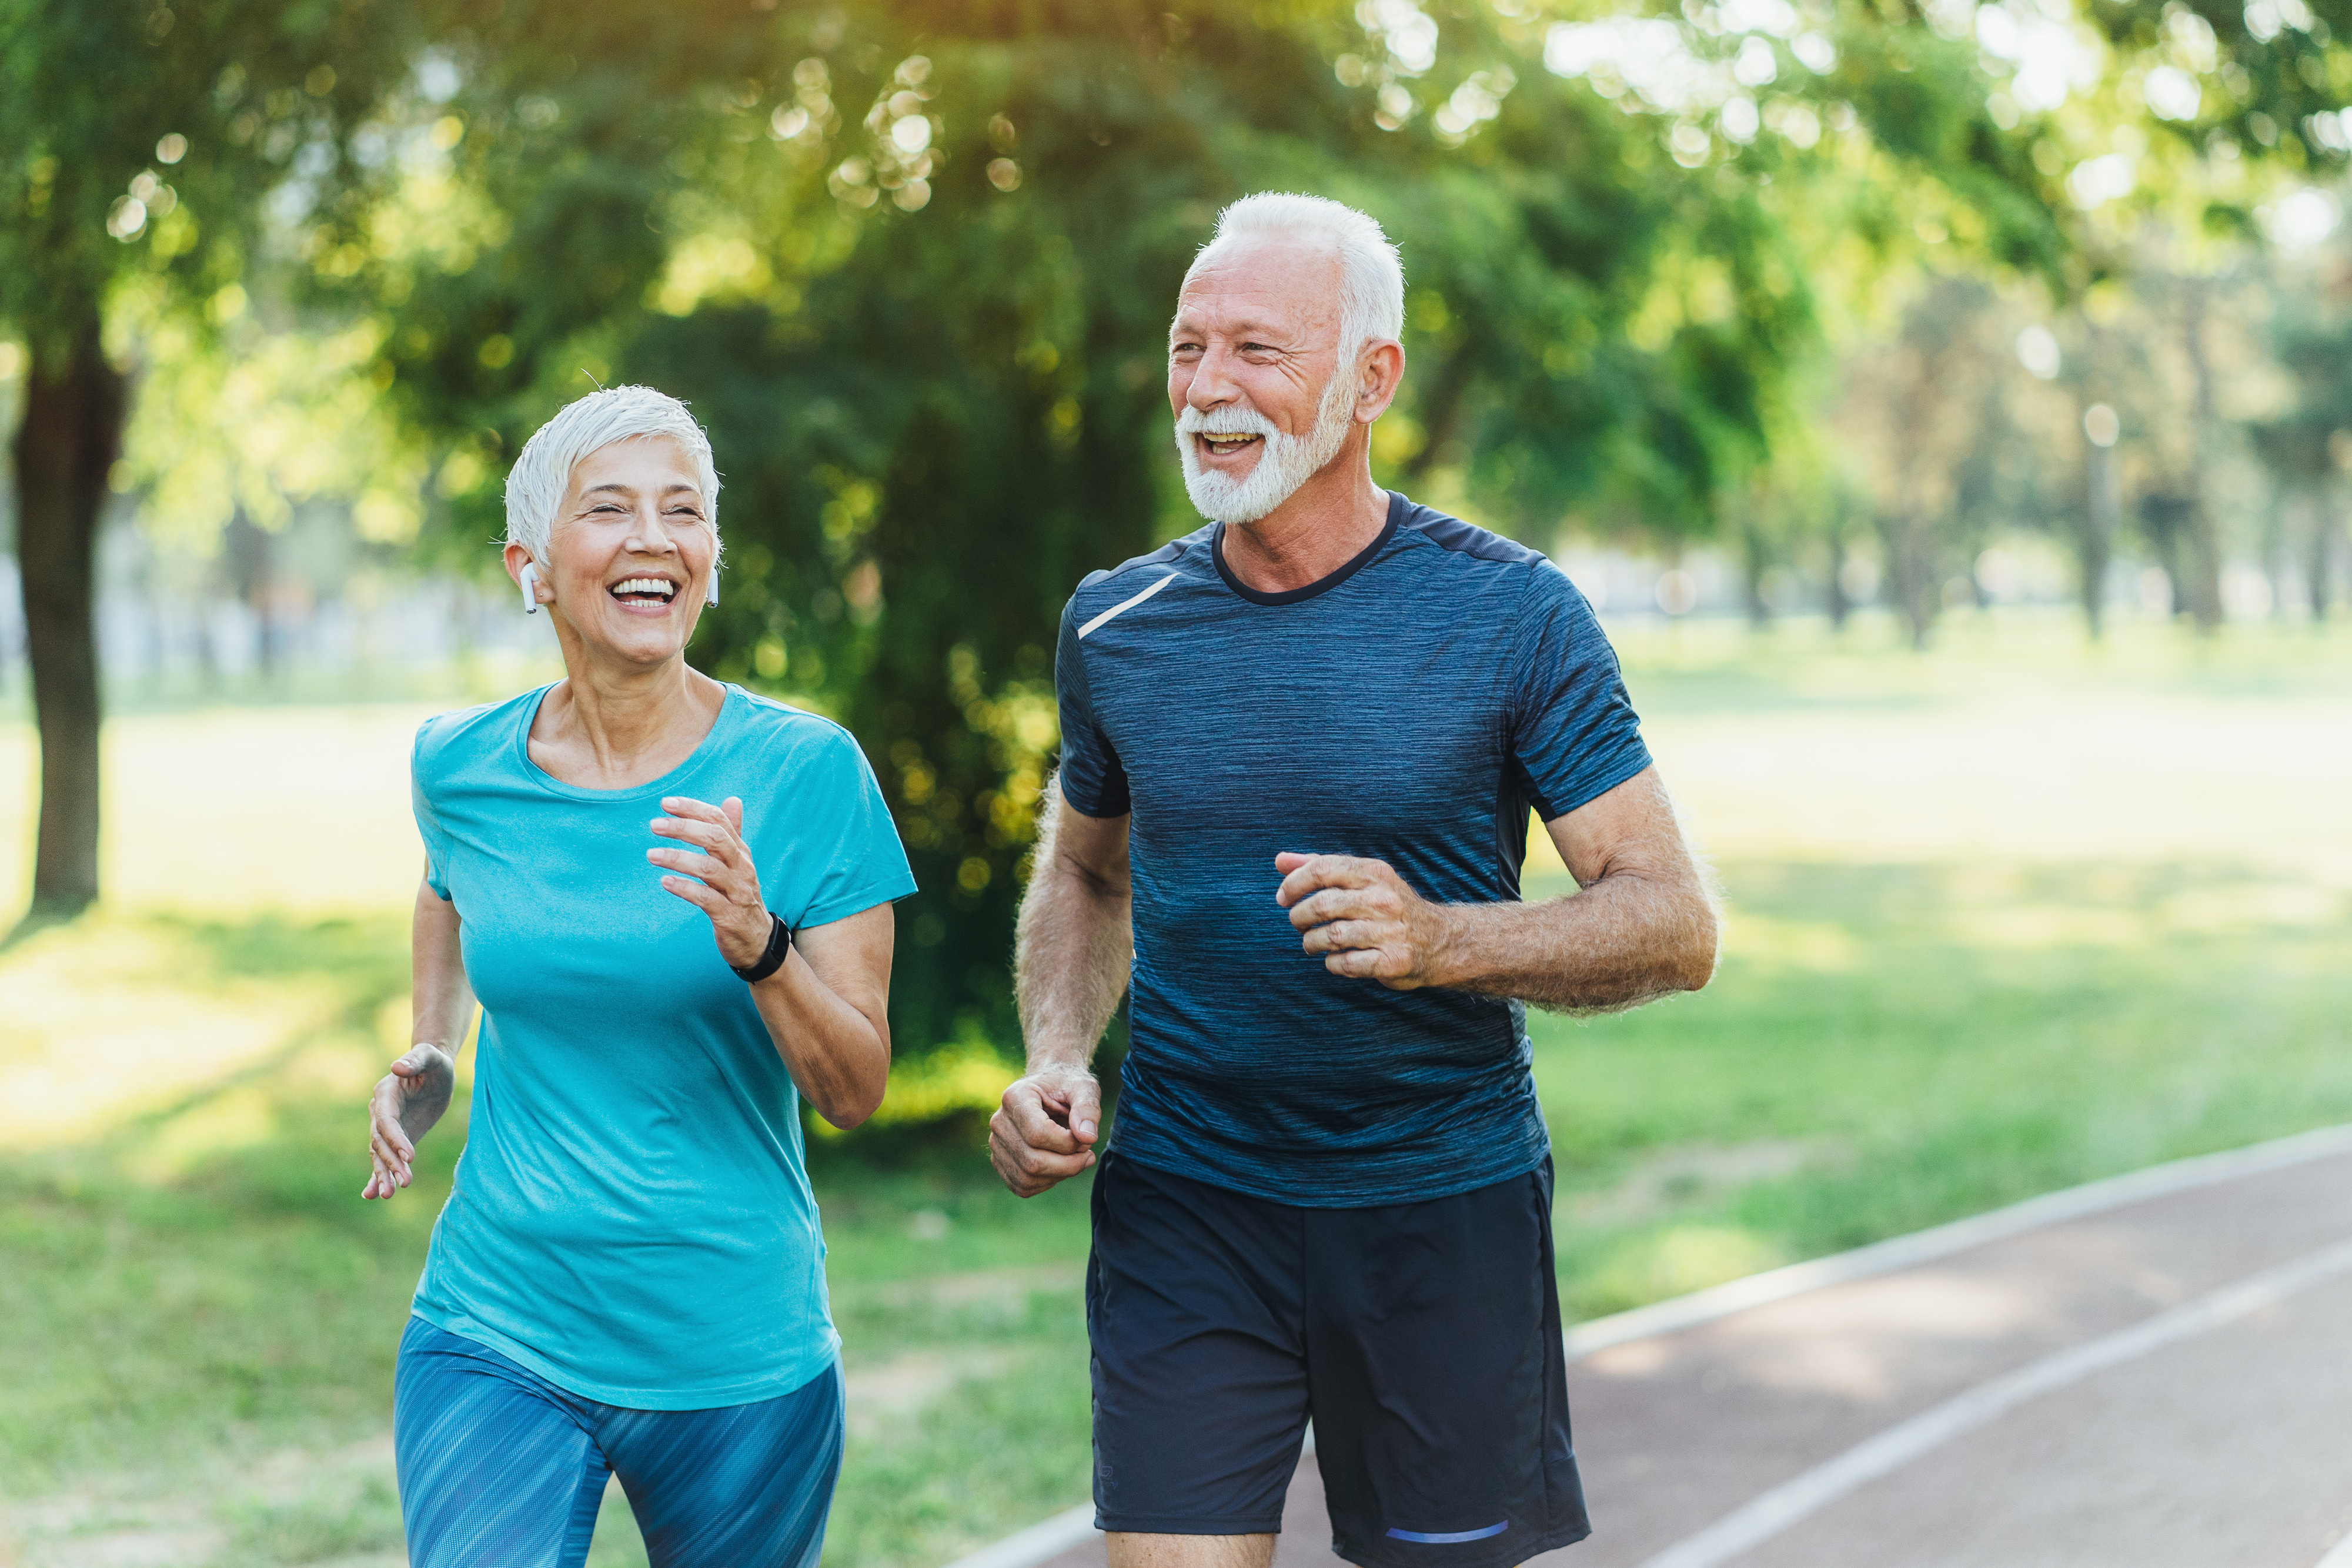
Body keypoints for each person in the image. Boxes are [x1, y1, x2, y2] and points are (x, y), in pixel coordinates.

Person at [991, 193, 1720, 1568]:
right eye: (1186, 346)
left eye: (1256, 350)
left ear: (1370, 377)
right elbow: (1085, 876)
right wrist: (1052, 1054)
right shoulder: (1118, 621)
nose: (1206, 388)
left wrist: (1441, 940)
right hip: (1186, 1202)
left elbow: (1673, 922)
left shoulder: (1510, 615)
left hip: (1436, 1209)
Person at [361, 386, 914, 1568]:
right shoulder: (459, 763)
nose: (654, 537)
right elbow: (446, 889)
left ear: (708, 555)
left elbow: (856, 1085)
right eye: (608, 509)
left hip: (733, 1345)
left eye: (684, 511)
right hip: (495, 1317)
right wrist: (432, 1045)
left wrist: (759, 943)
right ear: (533, 565)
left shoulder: (805, 770)